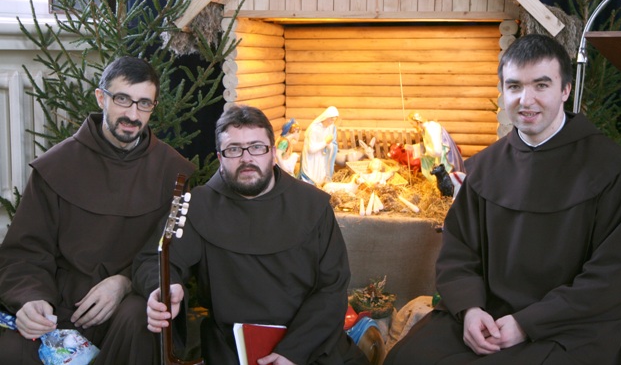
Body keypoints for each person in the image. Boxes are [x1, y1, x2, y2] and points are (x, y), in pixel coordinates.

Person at [384, 34, 621, 364]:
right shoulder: (484, 168)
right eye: (514, 86)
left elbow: (613, 279)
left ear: (565, 90)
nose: (525, 100)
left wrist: (526, 323)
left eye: (541, 85)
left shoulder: (612, 171)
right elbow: (458, 254)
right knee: (407, 358)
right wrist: (470, 309)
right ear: (503, 91)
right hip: (489, 313)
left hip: (571, 325)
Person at [132, 105, 369, 365]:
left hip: (309, 342)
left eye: (256, 147)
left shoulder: (313, 205)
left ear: (274, 153)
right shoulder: (199, 205)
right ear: (220, 157)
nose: (246, 158)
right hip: (233, 347)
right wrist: (166, 286)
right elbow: (154, 260)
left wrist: (292, 352)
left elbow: (332, 288)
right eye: (234, 149)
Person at [0, 56, 195, 365]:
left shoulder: (173, 171)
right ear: (101, 98)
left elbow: (169, 255)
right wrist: (31, 299)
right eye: (122, 99)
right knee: (11, 349)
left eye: (144, 104)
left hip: (127, 309)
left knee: (141, 320)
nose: (133, 114)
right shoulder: (56, 165)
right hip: (61, 306)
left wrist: (124, 282)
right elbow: (25, 252)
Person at [299, 106, 339, 186]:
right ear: (326, 117)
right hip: (312, 160)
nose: (332, 122)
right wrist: (325, 142)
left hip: (321, 159)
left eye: (334, 120)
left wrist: (329, 145)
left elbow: (332, 146)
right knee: (311, 179)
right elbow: (311, 149)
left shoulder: (330, 128)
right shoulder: (314, 129)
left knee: (320, 179)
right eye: (331, 119)